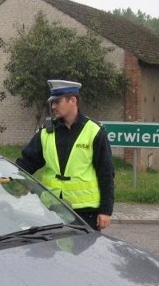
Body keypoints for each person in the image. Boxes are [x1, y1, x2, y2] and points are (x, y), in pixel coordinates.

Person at [16, 80, 115, 230]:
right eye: (52, 102)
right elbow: (25, 164)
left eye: (57, 102)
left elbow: (106, 173)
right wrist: (6, 176)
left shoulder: (94, 131)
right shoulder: (47, 132)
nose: (53, 106)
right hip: (53, 209)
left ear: (73, 100)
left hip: (86, 212)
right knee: (54, 252)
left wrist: (106, 211)